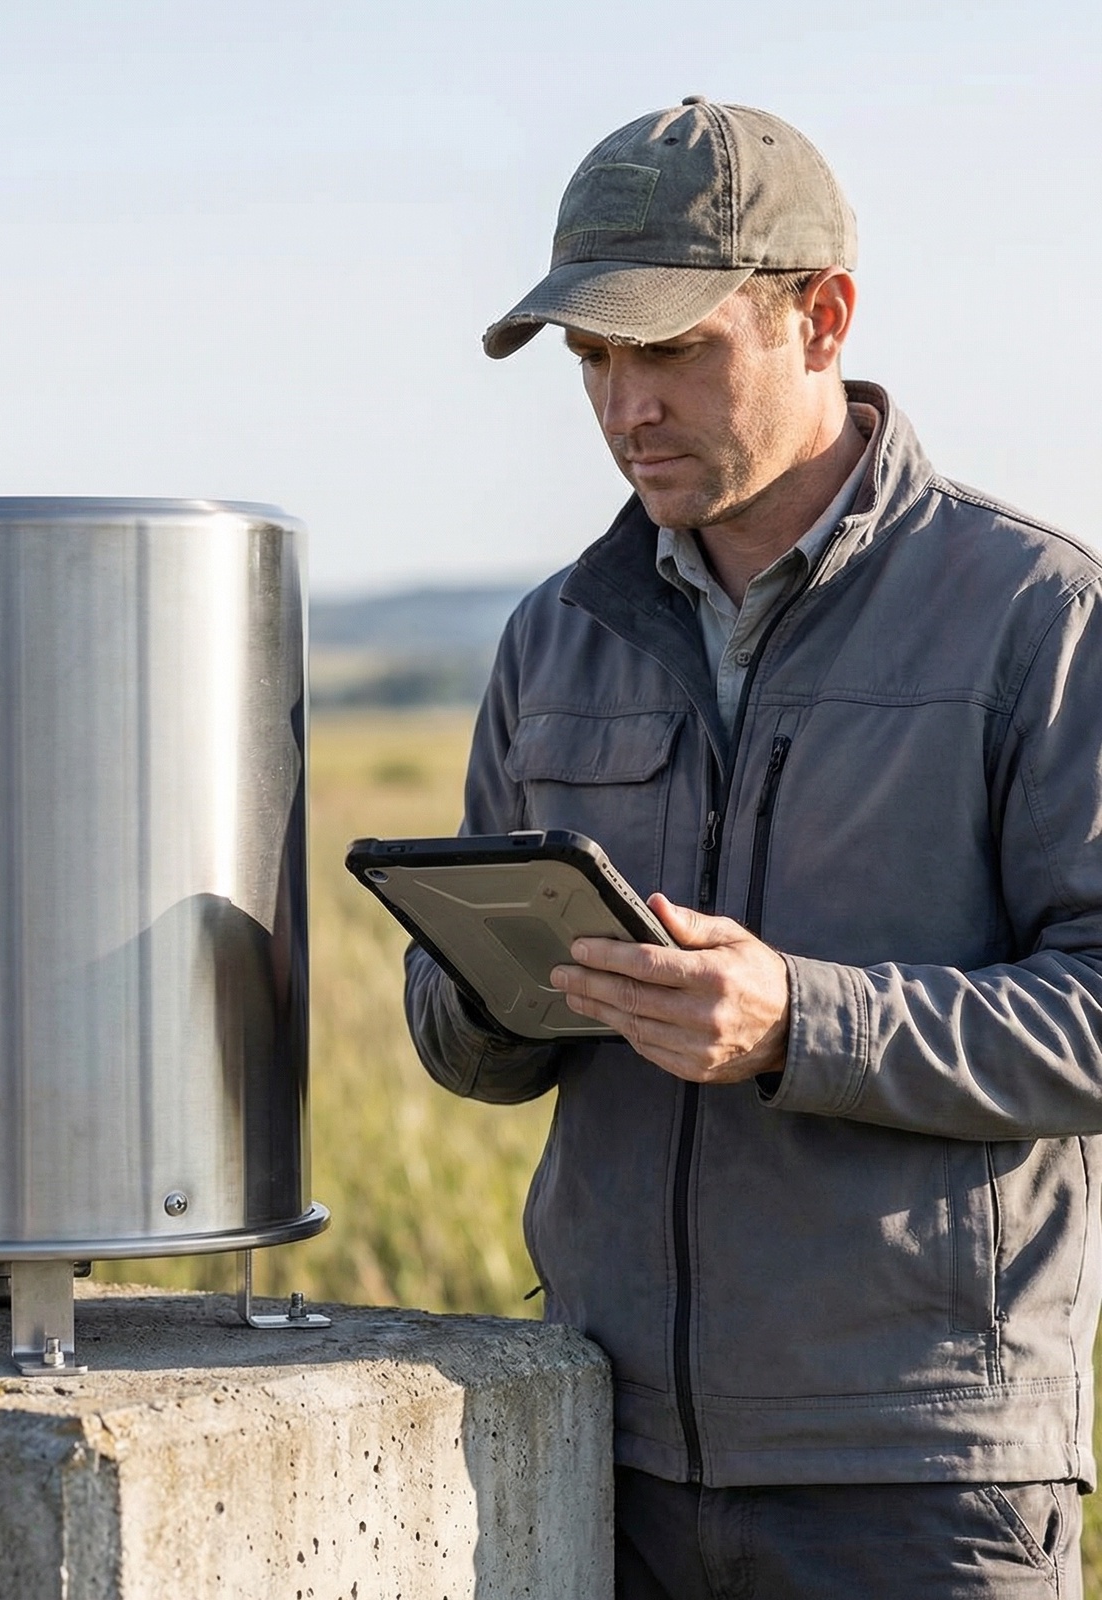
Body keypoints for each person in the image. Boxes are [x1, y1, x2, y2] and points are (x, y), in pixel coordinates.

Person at [404, 95, 1102, 1598]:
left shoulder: (1040, 617)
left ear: (822, 316)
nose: (622, 407)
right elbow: (460, 1040)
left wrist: (803, 1020)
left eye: (670, 349)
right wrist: (484, 986)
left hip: (916, 1476)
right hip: (606, 1450)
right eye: (593, 359)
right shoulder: (557, 636)